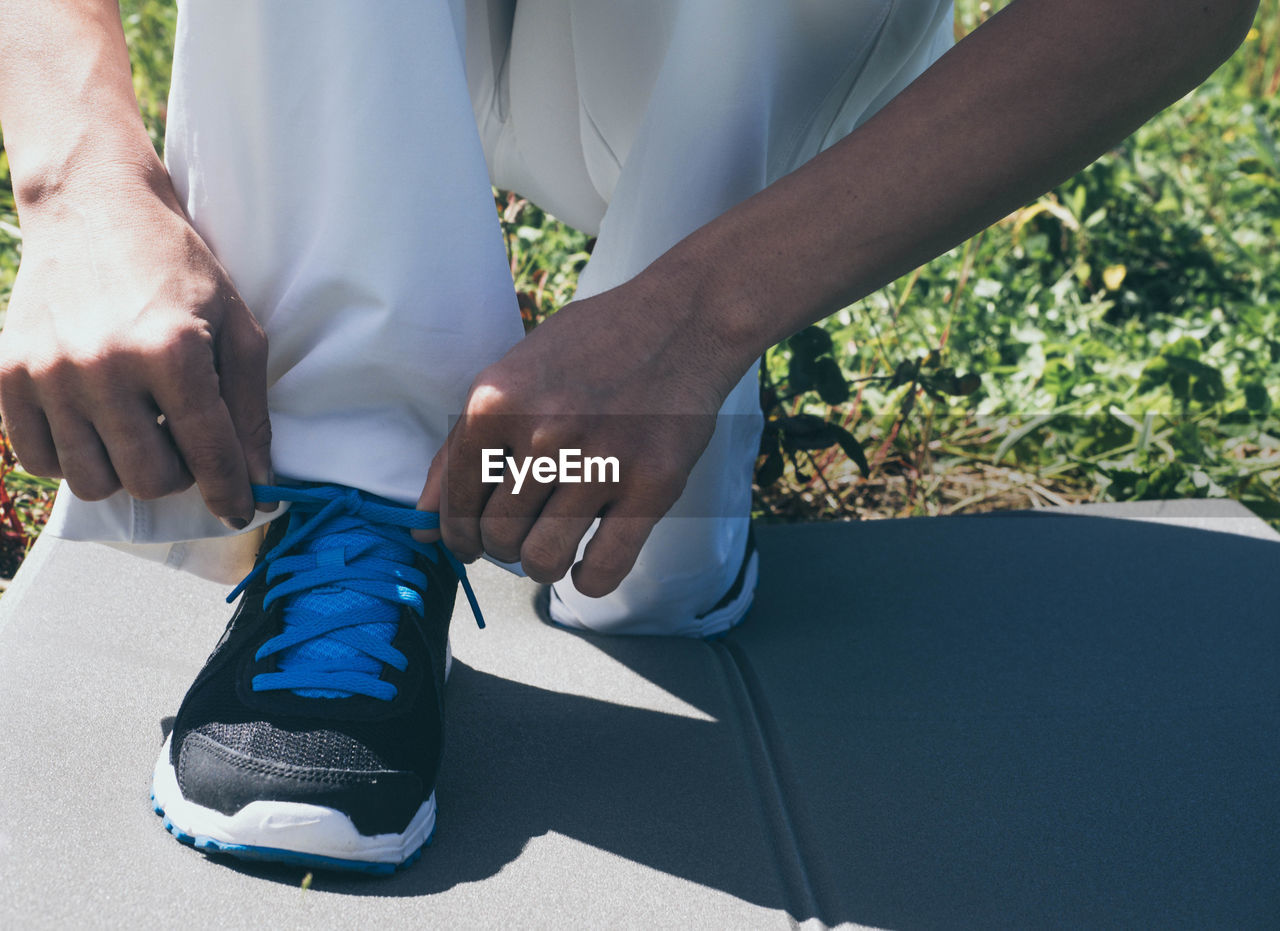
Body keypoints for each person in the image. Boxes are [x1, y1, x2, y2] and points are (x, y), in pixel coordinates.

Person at [0, 0, 1258, 872]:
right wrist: (79, 177)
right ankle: (362, 493)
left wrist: (699, 313)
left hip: (709, 53)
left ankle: (647, 438)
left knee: (644, 557)